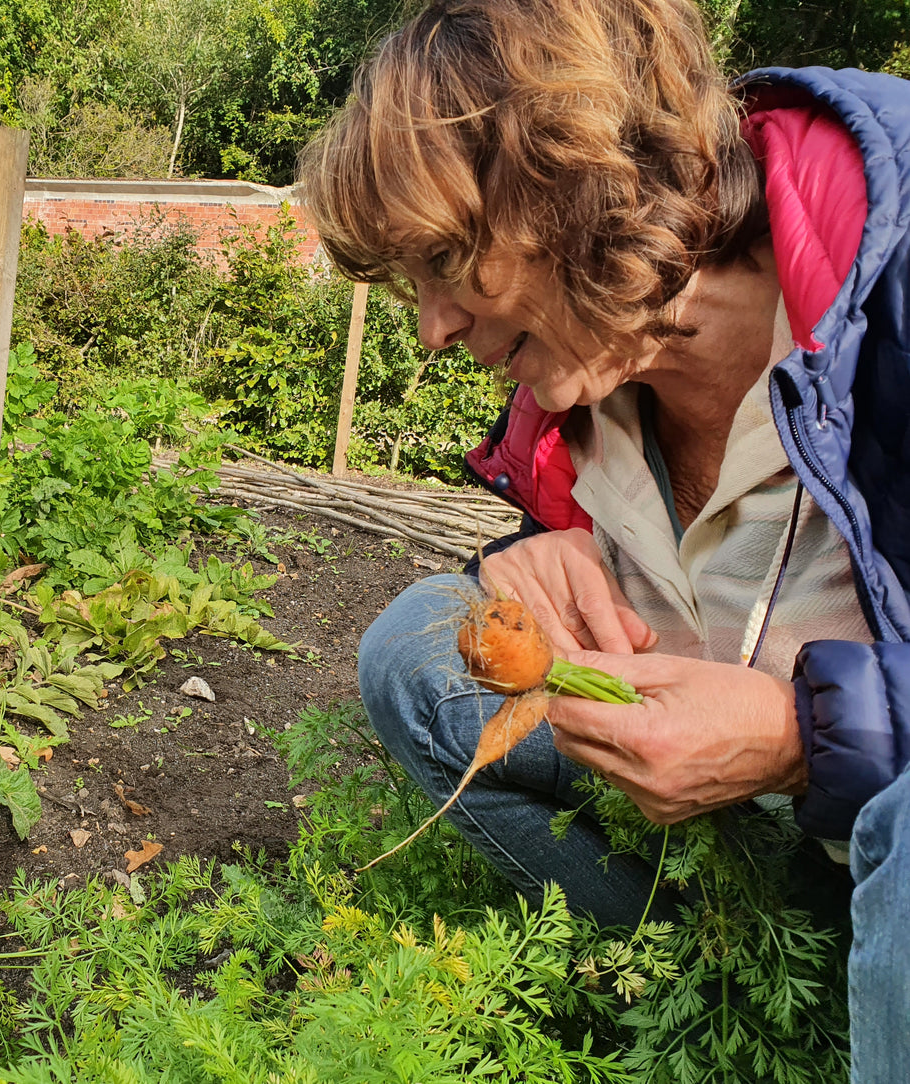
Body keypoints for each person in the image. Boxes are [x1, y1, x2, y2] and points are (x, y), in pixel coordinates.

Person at [298, 0, 910, 1078]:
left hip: (872, 821)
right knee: (413, 652)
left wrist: (802, 736)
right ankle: (708, 994)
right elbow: (587, 570)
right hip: (758, 839)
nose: (432, 329)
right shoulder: (594, 376)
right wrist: (520, 561)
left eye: (446, 260)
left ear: (581, 186)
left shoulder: (890, 285)